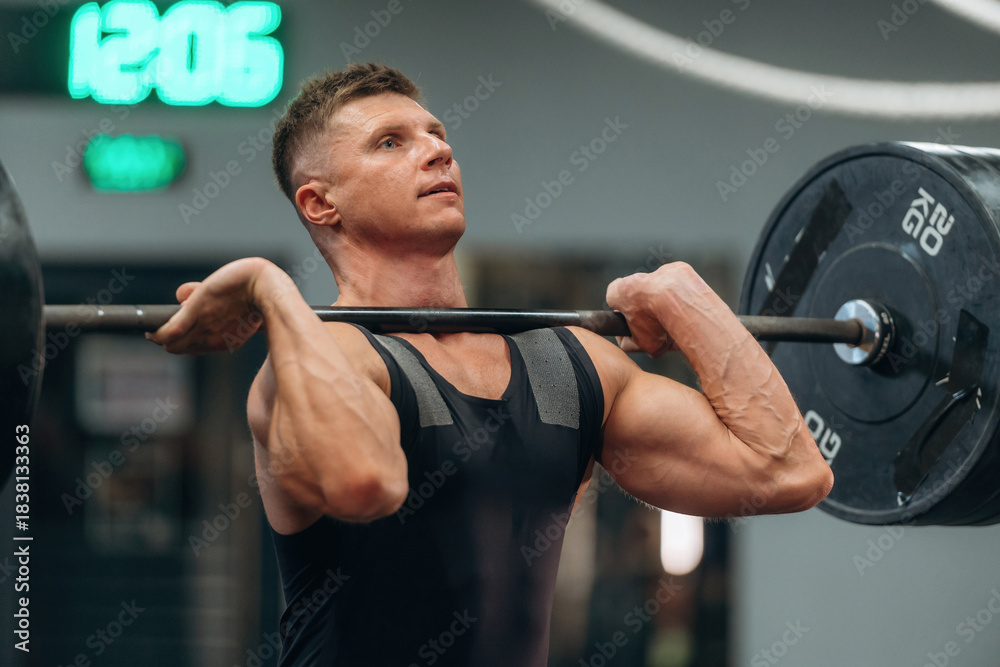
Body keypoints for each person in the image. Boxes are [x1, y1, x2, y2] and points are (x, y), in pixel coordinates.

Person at [148, 63, 833, 666]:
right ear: (320, 202)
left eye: (437, 133)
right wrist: (268, 285)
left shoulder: (570, 368)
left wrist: (682, 295)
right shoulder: (329, 360)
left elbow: (792, 471)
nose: (437, 149)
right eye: (392, 142)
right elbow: (365, 481)